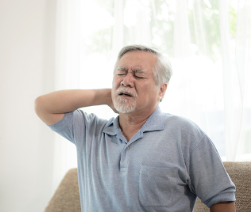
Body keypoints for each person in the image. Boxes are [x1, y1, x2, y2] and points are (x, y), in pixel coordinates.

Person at [35, 45, 236, 212]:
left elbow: (222, 199)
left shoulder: (184, 133)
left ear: (162, 90)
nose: (126, 80)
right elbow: (43, 106)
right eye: (121, 73)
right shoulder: (90, 131)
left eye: (138, 75)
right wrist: (106, 95)